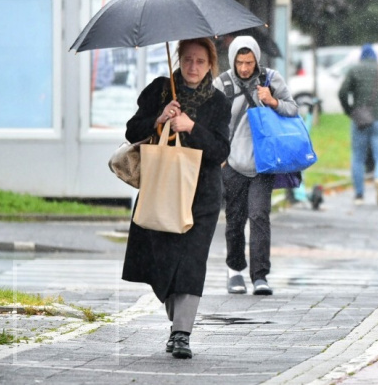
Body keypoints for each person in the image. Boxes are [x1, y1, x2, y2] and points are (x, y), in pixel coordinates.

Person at [121, 37, 231, 360]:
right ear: (178, 60)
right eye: (187, 61)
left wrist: (190, 126)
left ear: (211, 64)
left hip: (203, 195)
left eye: (200, 61)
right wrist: (159, 118)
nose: (192, 67)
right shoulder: (160, 90)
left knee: (191, 263)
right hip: (163, 189)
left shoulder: (219, 103)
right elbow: (132, 130)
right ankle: (177, 319)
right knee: (163, 260)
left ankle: (182, 333)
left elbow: (221, 151)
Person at [213, 36, 298, 297]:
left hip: (264, 163)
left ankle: (260, 276)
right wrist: (221, 156)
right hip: (233, 163)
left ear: (257, 60)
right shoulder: (223, 84)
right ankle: (235, 270)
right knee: (235, 219)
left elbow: (293, 110)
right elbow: (211, 120)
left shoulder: (271, 79)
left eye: (249, 62)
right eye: (240, 62)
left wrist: (272, 101)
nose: (245, 68)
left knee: (259, 216)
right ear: (233, 60)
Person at [338, 43, 378, 205]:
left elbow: (342, 92)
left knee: (358, 157)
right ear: (375, 57)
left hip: (361, 119)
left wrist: (349, 110)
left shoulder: (354, 70)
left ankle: (359, 195)